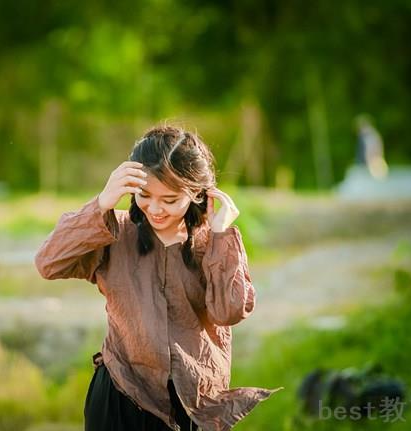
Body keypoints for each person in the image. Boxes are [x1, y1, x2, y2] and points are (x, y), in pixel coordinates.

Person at [34, 125, 283, 431]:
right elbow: (48, 263)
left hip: (193, 404)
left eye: (170, 199)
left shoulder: (214, 243)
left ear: (196, 193)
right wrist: (101, 203)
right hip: (121, 398)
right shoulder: (114, 232)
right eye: (145, 195)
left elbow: (229, 311)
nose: (155, 208)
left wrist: (221, 235)